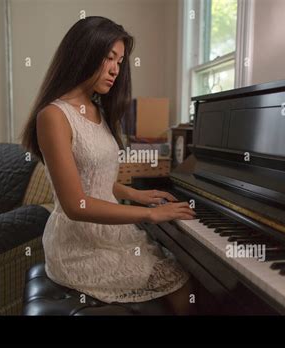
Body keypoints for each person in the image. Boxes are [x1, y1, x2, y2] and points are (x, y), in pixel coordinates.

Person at [21, 16, 196, 315]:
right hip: (78, 244)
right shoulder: (53, 116)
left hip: (109, 232)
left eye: (121, 60)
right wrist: (151, 214)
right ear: (84, 53)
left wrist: (138, 194)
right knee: (180, 284)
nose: (116, 69)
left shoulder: (98, 110)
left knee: (182, 272)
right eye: (109, 58)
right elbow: (76, 204)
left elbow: (94, 176)